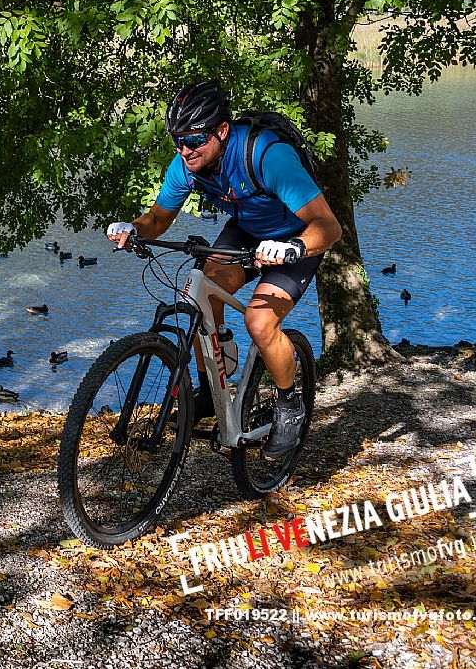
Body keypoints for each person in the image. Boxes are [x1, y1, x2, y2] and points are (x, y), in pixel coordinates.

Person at [106, 81, 342, 459]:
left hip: (298, 238)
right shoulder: (188, 164)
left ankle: (288, 405)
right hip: (247, 232)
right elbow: (157, 219)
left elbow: (329, 228)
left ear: (221, 130)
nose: (185, 151)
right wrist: (133, 228)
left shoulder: (267, 155)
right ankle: (209, 387)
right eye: (178, 142)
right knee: (201, 293)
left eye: (195, 140)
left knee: (260, 323)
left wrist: (293, 247)